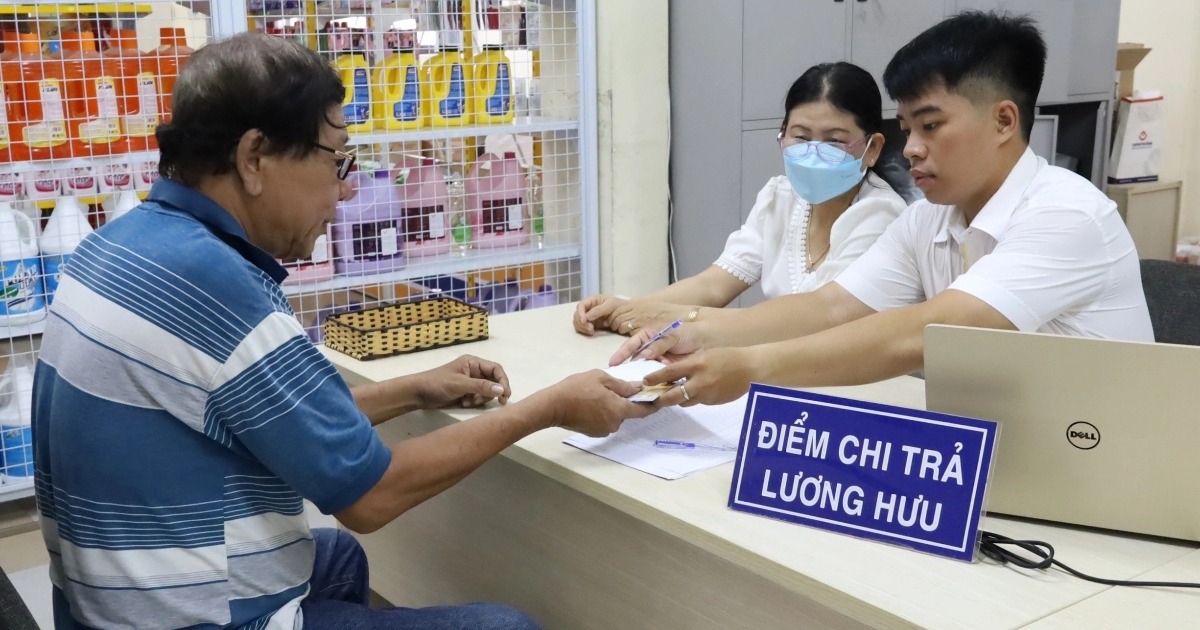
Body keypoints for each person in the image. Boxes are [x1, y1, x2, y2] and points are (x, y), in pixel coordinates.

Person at [32, 33, 653, 629]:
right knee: (505, 624)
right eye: (337, 160)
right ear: (254, 158)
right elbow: (371, 498)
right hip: (194, 618)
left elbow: (262, 413)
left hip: (105, 601)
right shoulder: (212, 285)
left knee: (335, 561)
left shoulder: (123, 244)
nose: (347, 188)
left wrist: (414, 389)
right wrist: (550, 406)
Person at [613, 11, 1153, 407]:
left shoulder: (1068, 216)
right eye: (907, 128)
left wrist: (750, 367)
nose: (911, 148)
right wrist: (694, 336)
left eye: (931, 125)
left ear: (1004, 121)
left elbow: (921, 332)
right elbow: (827, 309)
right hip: (1001, 450)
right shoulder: (928, 218)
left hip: (1098, 463)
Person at [573, 62, 905, 337]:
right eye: (800, 138)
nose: (812, 154)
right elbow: (715, 284)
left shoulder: (880, 215)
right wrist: (625, 309)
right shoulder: (781, 197)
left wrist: (668, 316)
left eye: (833, 143)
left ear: (872, 148)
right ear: (782, 134)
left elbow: (818, 321)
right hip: (781, 366)